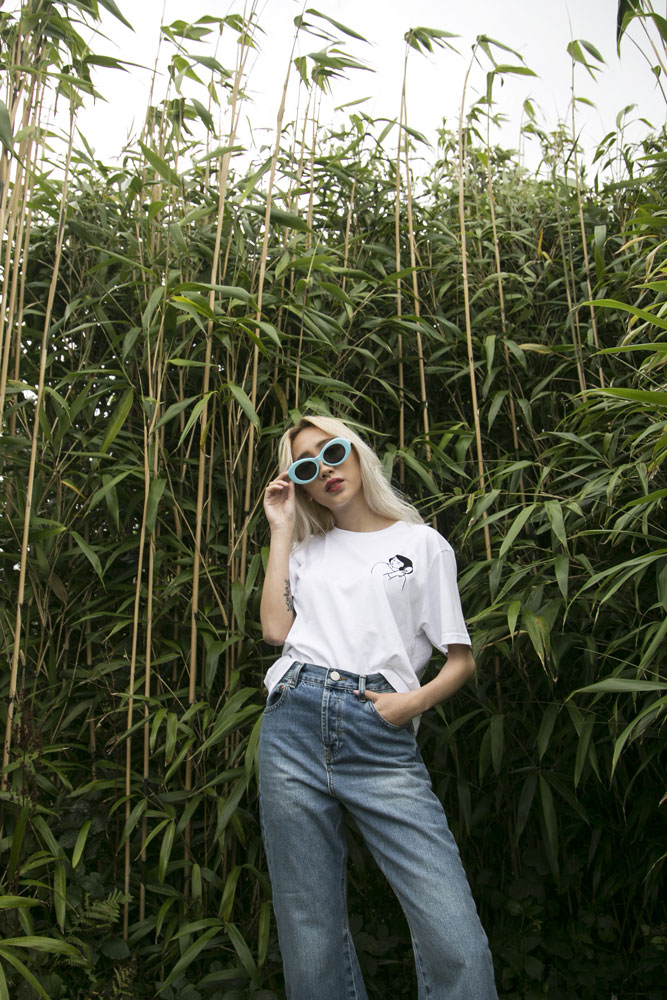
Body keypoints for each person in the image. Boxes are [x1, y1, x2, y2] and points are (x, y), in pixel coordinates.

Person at [258, 414, 498, 1000]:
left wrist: (408, 704)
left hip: (379, 732)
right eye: (307, 466)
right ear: (304, 484)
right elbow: (274, 629)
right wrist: (281, 528)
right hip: (292, 722)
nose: (326, 470)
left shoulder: (421, 544)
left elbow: (460, 660)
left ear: (358, 452)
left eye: (332, 451)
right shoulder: (308, 551)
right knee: (309, 930)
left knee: (456, 938)